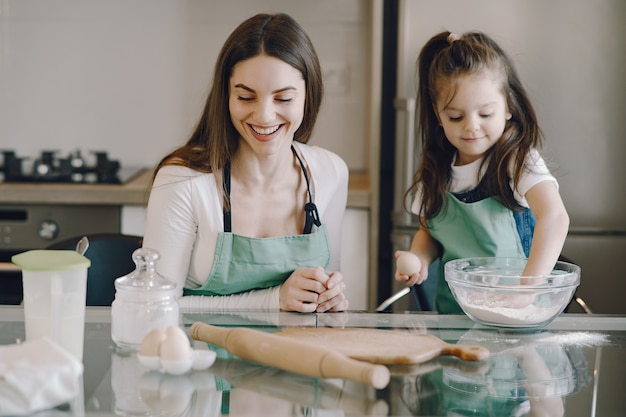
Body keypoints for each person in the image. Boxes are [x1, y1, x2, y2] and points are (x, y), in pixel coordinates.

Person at [142, 13, 349, 313]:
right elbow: (154, 306)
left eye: (284, 99)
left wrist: (328, 297)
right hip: (202, 356)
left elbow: (324, 296)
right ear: (226, 95)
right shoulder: (182, 181)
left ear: (308, 96)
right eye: (245, 97)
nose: (264, 115)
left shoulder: (330, 173)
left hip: (295, 357)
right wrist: (274, 300)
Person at [395, 31, 569, 313]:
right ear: (438, 115)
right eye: (456, 116)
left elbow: (556, 217)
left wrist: (527, 290)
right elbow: (428, 234)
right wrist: (419, 258)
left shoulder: (517, 160)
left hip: (517, 312)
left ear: (509, 107)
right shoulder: (434, 172)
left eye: (485, 114)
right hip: (455, 314)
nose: (471, 126)